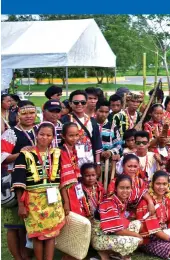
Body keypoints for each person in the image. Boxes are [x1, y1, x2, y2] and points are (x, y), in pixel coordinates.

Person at [11, 122, 66, 260]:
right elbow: (19, 182)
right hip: (33, 201)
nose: (44, 138)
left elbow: (64, 180)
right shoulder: (25, 154)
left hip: (53, 200)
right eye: (41, 134)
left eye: (48, 135)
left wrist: (66, 203)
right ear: (36, 135)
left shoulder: (57, 154)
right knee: (37, 236)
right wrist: (21, 205)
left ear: (53, 137)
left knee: (51, 234)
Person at [93, 175, 143, 260]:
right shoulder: (109, 203)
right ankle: (104, 252)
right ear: (115, 188)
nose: (125, 191)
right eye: (122, 188)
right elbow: (118, 231)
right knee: (136, 240)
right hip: (100, 236)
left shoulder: (121, 200)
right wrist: (137, 235)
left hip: (112, 233)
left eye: (128, 188)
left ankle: (115, 253)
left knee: (137, 224)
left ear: (131, 188)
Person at [61, 90, 103, 166]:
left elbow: (97, 144)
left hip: (88, 163)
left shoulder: (92, 121)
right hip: (70, 163)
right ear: (70, 104)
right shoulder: (64, 121)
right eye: (76, 102)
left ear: (86, 103)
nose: (79, 104)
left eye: (83, 102)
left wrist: (98, 164)